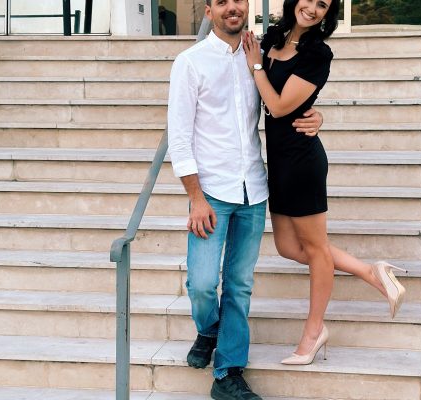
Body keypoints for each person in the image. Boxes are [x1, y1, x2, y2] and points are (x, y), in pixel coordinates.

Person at [167, 0, 323, 397]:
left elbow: (287, 99)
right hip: (211, 193)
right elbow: (179, 138)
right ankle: (210, 330)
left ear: (247, 6)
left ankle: (228, 373)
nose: (231, 7)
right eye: (221, 2)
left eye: (237, 0)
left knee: (239, 285)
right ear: (208, 12)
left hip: (253, 189)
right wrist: (195, 198)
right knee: (202, 283)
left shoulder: (260, 55)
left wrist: (317, 116)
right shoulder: (190, 63)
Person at [243, 0, 407, 365]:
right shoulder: (272, 39)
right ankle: (370, 271)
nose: (313, 8)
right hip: (279, 162)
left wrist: (256, 67)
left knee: (317, 250)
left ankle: (314, 331)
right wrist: (259, 63)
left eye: (323, 4)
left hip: (302, 162)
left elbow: (279, 107)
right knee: (288, 247)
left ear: (328, 13)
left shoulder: (317, 54)